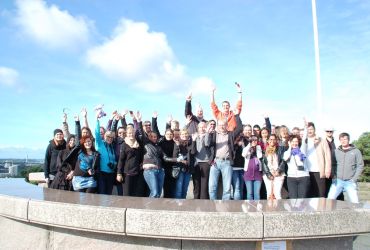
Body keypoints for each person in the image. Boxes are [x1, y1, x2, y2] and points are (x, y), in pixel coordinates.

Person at [207, 114, 243, 200]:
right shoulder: (214, 134)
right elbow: (208, 144)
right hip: (215, 162)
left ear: (227, 125)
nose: (222, 126)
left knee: (227, 189)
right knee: (212, 187)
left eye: (223, 125)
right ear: (217, 126)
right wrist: (208, 134)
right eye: (220, 125)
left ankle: (225, 208)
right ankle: (213, 206)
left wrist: (237, 115)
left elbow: (240, 128)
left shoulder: (230, 134)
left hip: (227, 162)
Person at [327, 132, 364, 203]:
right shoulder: (336, 151)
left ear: (348, 140)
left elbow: (360, 165)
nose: (343, 141)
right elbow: (333, 164)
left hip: (350, 181)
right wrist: (334, 176)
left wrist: (354, 179)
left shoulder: (356, 151)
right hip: (337, 181)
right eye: (341, 139)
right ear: (339, 141)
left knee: (355, 203)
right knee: (329, 201)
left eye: (345, 139)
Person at [301, 122, 331, 197]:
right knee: (309, 194)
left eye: (311, 129)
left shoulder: (321, 140)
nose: (310, 131)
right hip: (306, 171)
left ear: (315, 130)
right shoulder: (303, 140)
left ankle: (321, 208)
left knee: (321, 193)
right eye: (308, 129)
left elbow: (327, 155)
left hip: (318, 170)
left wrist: (327, 169)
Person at [116, 126, 143, 196]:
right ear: (126, 134)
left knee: (135, 194)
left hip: (137, 173)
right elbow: (121, 160)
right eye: (129, 133)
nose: (131, 134)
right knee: (127, 194)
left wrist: (141, 163)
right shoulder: (124, 145)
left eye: (132, 133)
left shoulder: (138, 144)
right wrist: (119, 173)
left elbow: (140, 157)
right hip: (127, 174)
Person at [191, 121, 214, 199]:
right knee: (196, 183)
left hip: (205, 162)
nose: (202, 128)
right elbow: (193, 151)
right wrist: (194, 140)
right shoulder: (194, 136)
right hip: (196, 162)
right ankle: (196, 200)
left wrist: (207, 133)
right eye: (200, 127)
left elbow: (207, 144)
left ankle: (204, 202)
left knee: (204, 184)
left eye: (203, 127)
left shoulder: (209, 135)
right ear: (198, 128)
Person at [95, 114, 117, 195]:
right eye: (108, 136)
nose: (110, 138)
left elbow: (114, 159)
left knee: (109, 193)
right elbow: (97, 133)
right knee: (102, 193)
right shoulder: (100, 144)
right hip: (101, 173)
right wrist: (97, 120)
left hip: (110, 173)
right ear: (104, 136)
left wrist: (114, 164)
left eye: (111, 137)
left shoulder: (112, 147)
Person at [262, 134, 286, 199]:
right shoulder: (264, 150)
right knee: (269, 194)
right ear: (268, 140)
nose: (272, 141)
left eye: (274, 139)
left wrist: (278, 171)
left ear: (276, 140)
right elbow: (264, 163)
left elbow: (283, 161)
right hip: (268, 175)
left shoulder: (280, 149)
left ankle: (278, 209)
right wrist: (269, 174)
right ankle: (270, 209)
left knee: (277, 193)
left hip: (279, 174)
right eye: (270, 139)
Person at [325, 127, 344, 200]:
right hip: (327, 169)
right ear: (325, 132)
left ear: (333, 132)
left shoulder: (337, 142)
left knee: (339, 191)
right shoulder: (323, 142)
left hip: (337, 169)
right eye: (328, 131)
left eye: (331, 131)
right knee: (327, 190)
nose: (329, 132)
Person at [173, 129, 193, 199]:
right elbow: (174, 157)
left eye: (186, 134)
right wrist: (179, 146)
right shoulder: (177, 143)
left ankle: (183, 204)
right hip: (180, 168)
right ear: (180, 135)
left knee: (185, 189)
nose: (184, 135)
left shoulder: (190, 143)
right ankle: (178, 205)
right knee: (179, 189)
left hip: (188, 169)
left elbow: (193, 152)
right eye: (182, 134)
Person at [242, 136, 263, 200]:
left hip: (257, 174)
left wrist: (256, 147)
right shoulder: (246, 148)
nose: (254, 141)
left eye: (255, 140)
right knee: (249, 193)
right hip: (248, 173)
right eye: (252, 140)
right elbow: (243, 154)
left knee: (257, 193)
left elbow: (260, 156)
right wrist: (249, 146)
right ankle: (250, 209)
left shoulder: (258, 147)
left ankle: (257, 209)